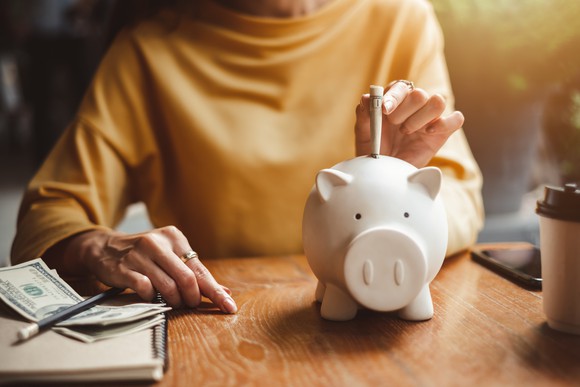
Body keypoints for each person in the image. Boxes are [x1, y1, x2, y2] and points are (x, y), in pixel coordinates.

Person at [11, 0, 484, 313]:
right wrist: (100, 246)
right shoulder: (147, 54)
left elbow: (461, 196)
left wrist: (395, 182)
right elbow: (44, 220)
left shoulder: (400, 18)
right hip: (218, 326)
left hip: (367, 329)